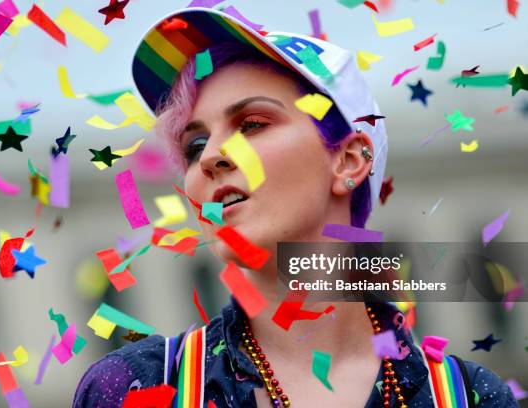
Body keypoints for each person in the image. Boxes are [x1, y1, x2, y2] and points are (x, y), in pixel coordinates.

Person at [73, 7, 518, 408]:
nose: (210, 158)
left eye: (251, 124)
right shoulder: (136, 386)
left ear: (348, 160)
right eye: (195, 145)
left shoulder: (467, 397)